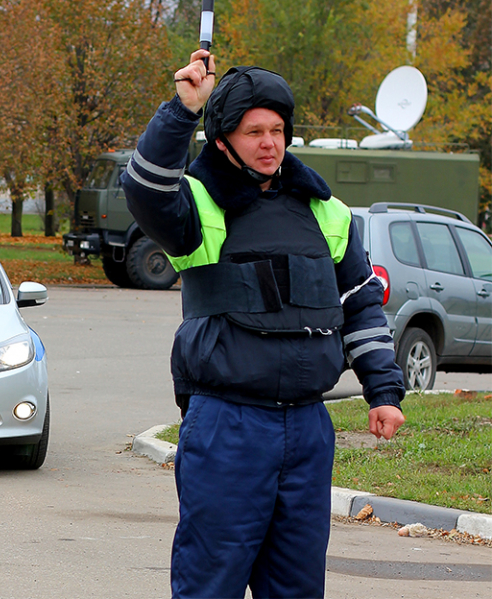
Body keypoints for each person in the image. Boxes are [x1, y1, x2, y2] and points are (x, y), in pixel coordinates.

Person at [121, 50, 406, 599]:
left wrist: (383, 391)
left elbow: (361, 306)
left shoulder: (329, 214)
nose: (269, 143)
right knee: (211, 583)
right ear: (223, 140)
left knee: (297, 587)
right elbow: (146, 190)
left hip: (306, 428)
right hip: (228, 425)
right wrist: (182, 110)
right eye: (254, 131)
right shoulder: (199, 206)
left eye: (277, 129)